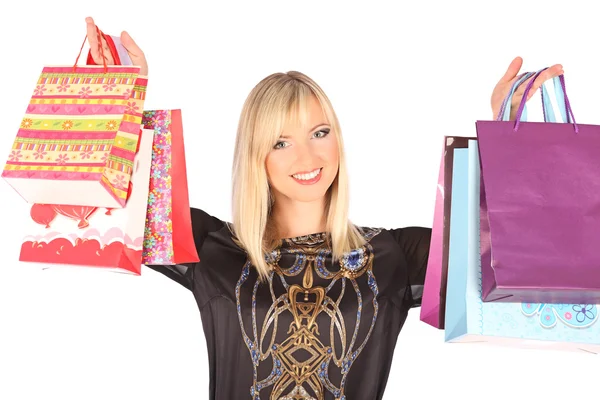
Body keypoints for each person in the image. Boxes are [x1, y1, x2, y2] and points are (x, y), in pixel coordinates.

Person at [84, 16, 564, 400]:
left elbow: (518, 255)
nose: (308, 158)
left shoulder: (394, 255)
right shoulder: (214, 249)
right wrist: (114, 103)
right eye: (281, 142)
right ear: (256, 157)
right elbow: (106, 199)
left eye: (319, 133)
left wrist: (512, 139)